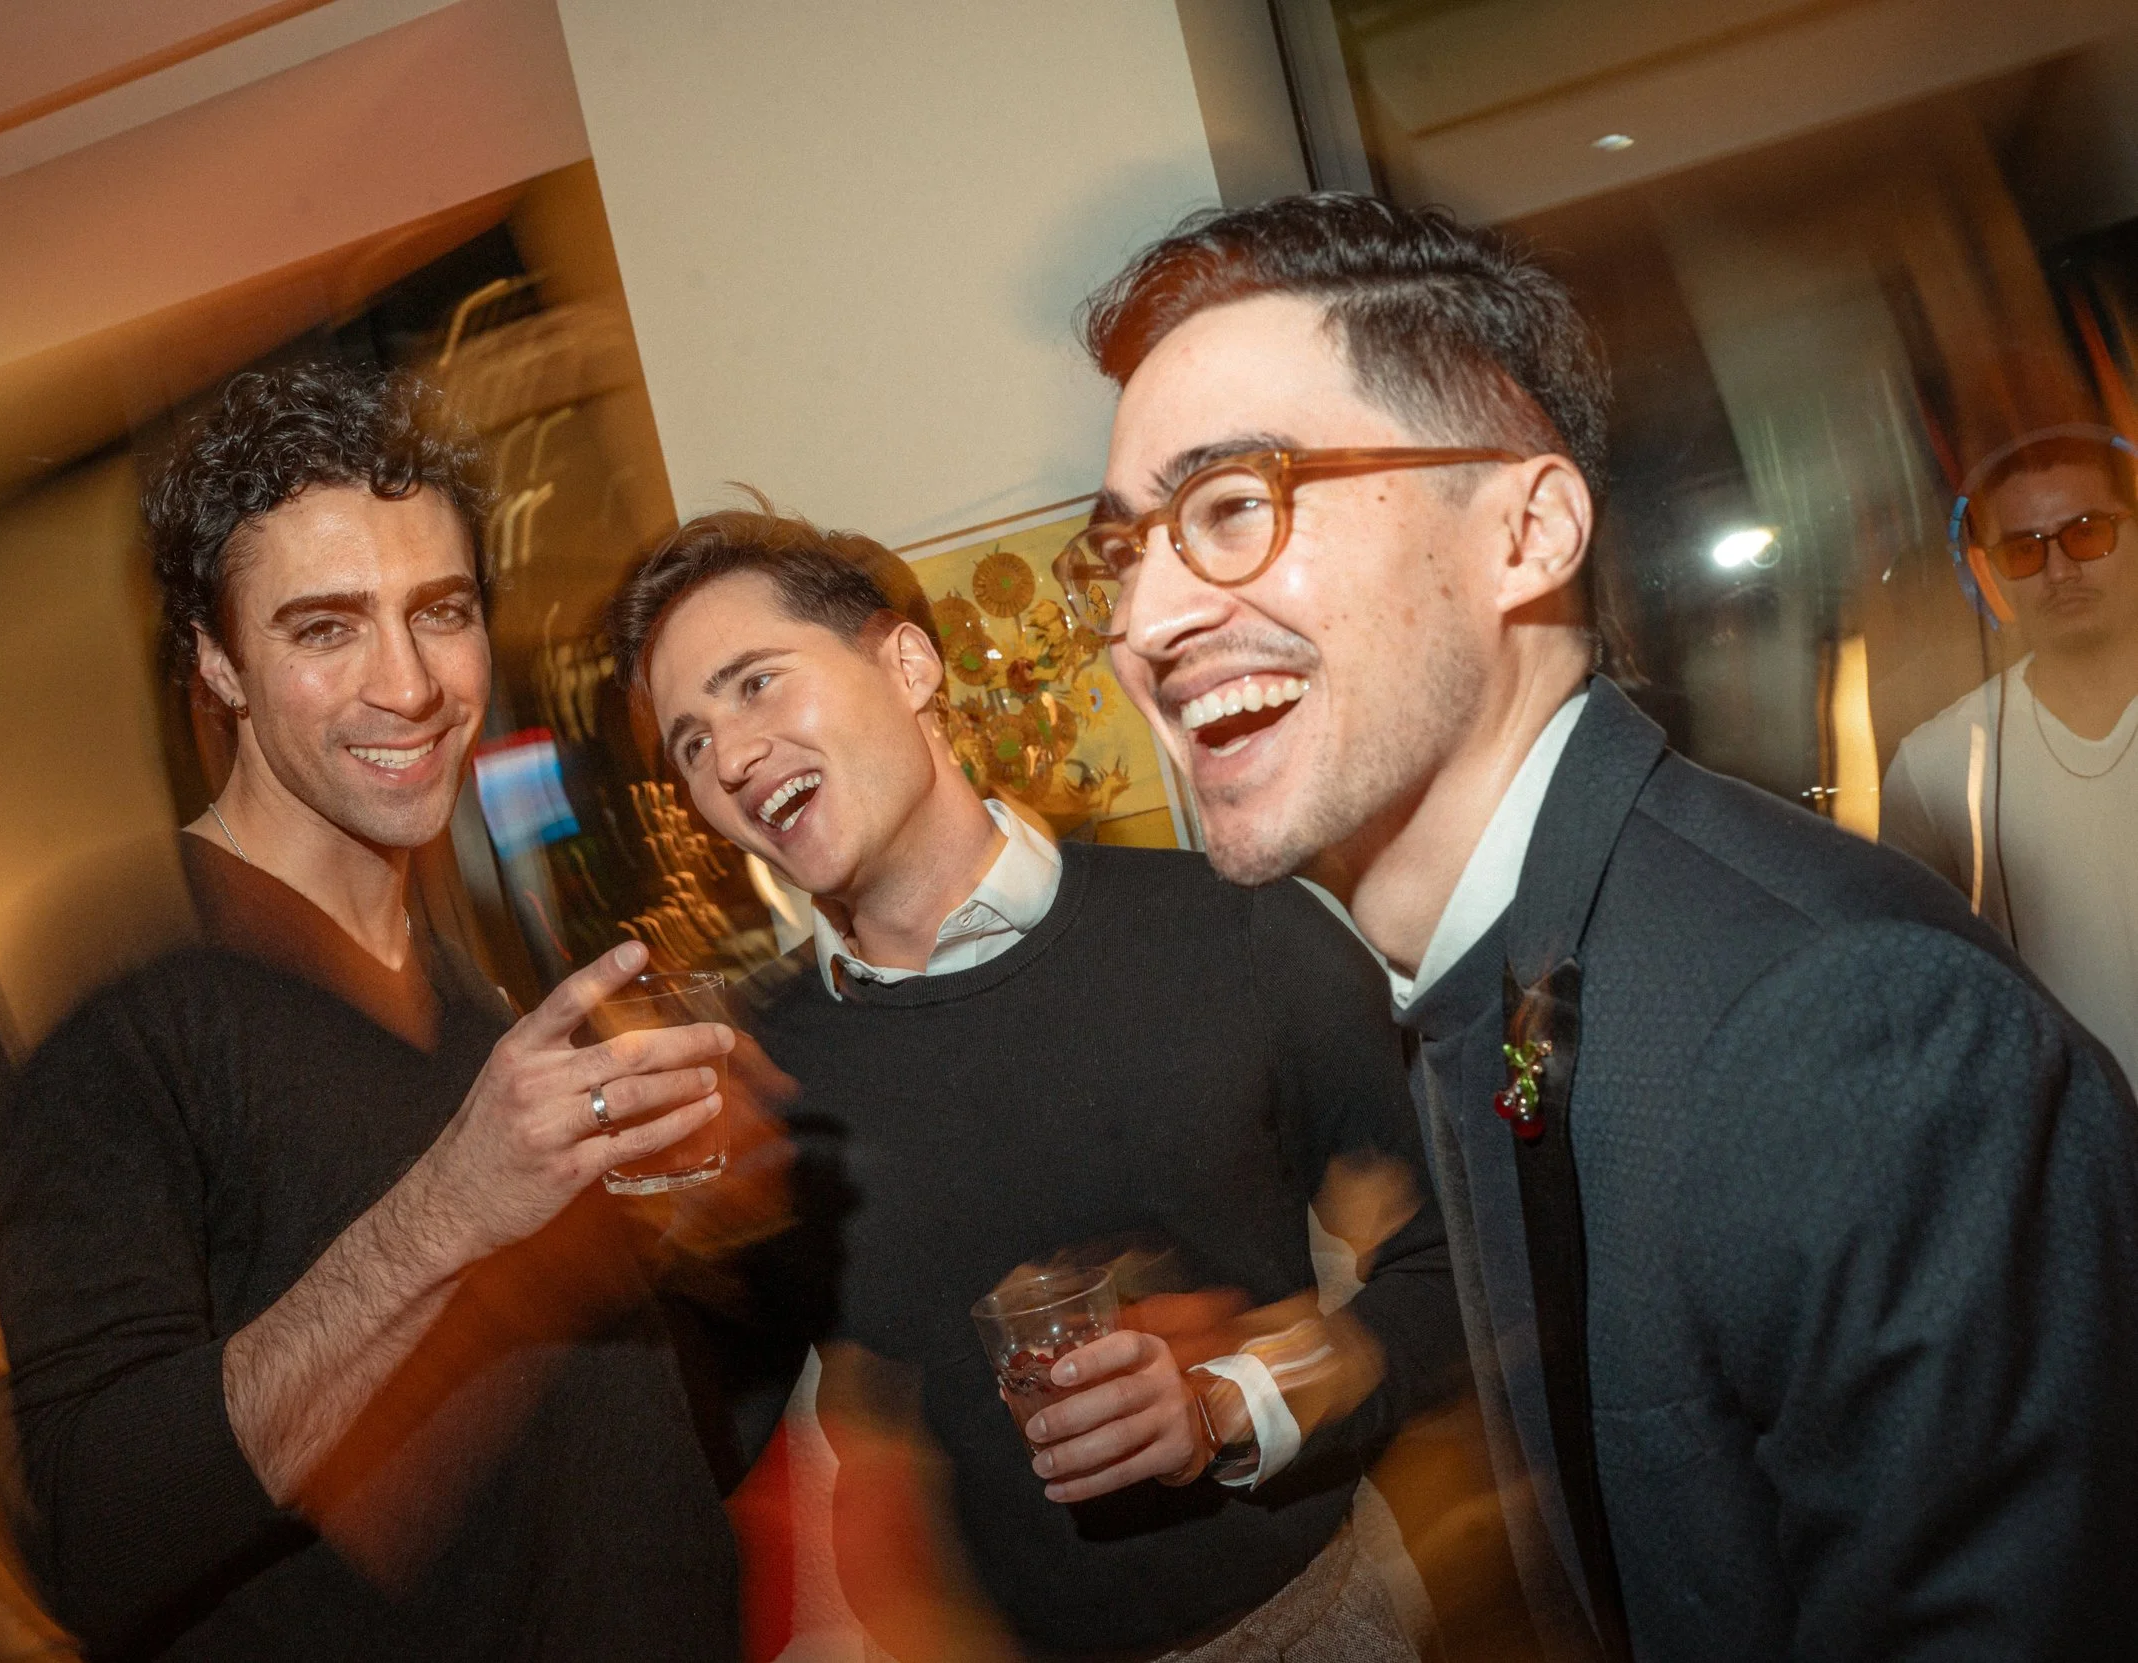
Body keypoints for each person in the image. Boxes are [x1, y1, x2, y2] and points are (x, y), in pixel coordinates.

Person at [1070, 193, 2138, 1660]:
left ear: (1528, 528)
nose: (1147, 618)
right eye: (1121, 551)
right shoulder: (1502, 966)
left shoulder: (1851, 1026)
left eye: (1233, 505)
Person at [0, 362, 740, 1660]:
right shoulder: (104, 995)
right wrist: (452, 1208)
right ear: (218, 662)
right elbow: (99, 1536)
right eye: (325, 628)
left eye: (442, 610)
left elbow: (560, 1415)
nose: (412, 685)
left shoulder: (457, 972)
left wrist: (706, 1240)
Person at [606, 507, 1467, 1661]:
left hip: (1308, 1624)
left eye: (756, 684)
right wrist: (647, 1258)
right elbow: (697, 1448)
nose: (733, 758)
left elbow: (1459, 1262)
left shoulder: (1234, 927)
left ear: (906, 662)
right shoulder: (756, 1068)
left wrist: (1230, 1402)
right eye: (692, 743)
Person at [1881, 424, 2138, 1078]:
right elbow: (1923, 999)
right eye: (2023, 550)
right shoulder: (1935, 766)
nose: (2059, 570)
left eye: (2087, 531)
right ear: (1988, 574)